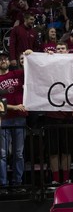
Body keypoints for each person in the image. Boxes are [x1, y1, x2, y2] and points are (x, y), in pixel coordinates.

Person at [0, 51, 27, 194]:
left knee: (19, 153)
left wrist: (29, 54)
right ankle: (3, 185)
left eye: (5, 58)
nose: (3, 60)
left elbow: (31, 69)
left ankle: (17, 183)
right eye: (1, 59)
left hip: (19, 117)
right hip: (3, 119)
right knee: (2, 154)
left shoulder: (16, 74)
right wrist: (14, 106)